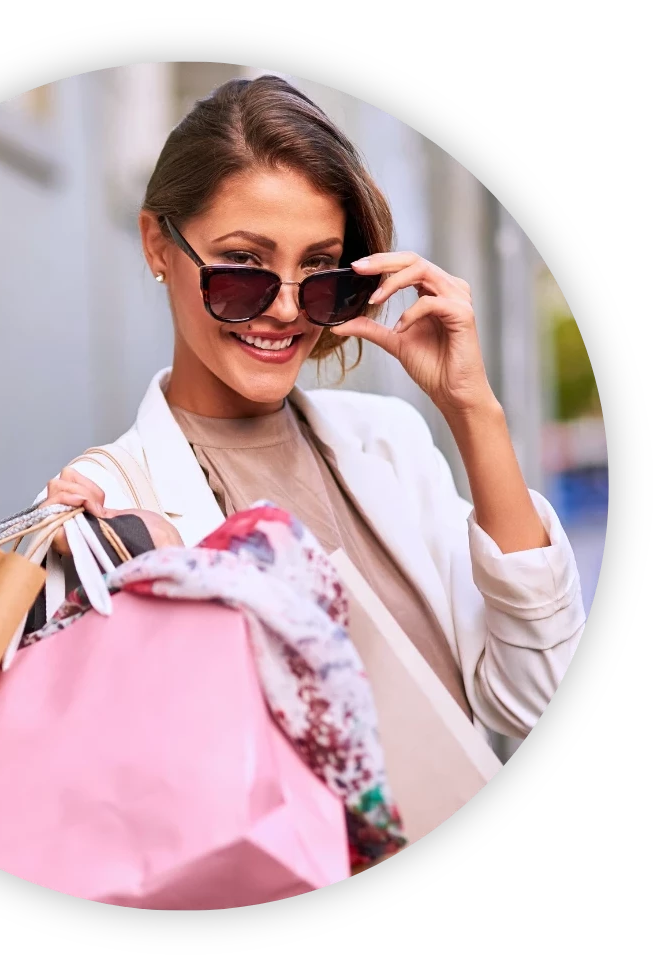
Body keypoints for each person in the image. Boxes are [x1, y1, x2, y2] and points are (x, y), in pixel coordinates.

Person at [34, 75, 585, 740]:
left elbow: (534, 699)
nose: (289, 309)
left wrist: (473, 412)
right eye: (243, 265)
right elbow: (145, 784)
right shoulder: (106, 505)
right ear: (158, 244)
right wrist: (176, 568)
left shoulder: (389, 441)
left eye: (321, 271)